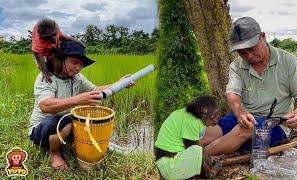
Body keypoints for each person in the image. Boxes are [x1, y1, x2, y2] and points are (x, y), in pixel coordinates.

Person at [204, 17, 297, 156]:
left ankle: (195, 159)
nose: (249, 56)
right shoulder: (236, 66)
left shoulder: (289, 62)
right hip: (244, 117)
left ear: (263, 37)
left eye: (252, 49)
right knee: (209, 132)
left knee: (245, 129)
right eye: (242, 52)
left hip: (275, 126)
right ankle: (178, 153)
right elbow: (232, 94)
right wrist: (240, 113)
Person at [28, 40, 132, 170]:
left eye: (81, 64)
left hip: (66, 124)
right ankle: (53, 153)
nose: (78, 68)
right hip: (42, 129)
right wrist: (79, 99)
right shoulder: (47, 77)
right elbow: (45, 105)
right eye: (74, 62)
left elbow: (96, 90)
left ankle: (71, 141)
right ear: (61, 59)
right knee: (65, 122)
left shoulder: (77, 78)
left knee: (87, 123)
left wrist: (119, 83)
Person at [154, 95, 221, 179]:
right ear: (204, 111)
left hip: (168, 161)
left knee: (198, 151)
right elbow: (194, 149)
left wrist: (209, 158)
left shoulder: (188, 116)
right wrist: (209, 163)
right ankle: (210, 173)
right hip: (169, 166)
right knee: (197, 150)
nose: (216, 120)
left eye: (217, 114)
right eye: (213, 116)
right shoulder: (191, 121)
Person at [32, 18, 85, 83]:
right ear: (42, 37)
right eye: (49, 37)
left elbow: (64, 37)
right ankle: (53, 76)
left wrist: (81, 44)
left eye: (53, 35)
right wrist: (45, 71)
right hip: (41, 53)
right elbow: (39, 57)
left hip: (53, 50)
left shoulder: (56, 30)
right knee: (47, 69)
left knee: (58, 60)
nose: (53, 39)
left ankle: (62, 76)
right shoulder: (38, 42)